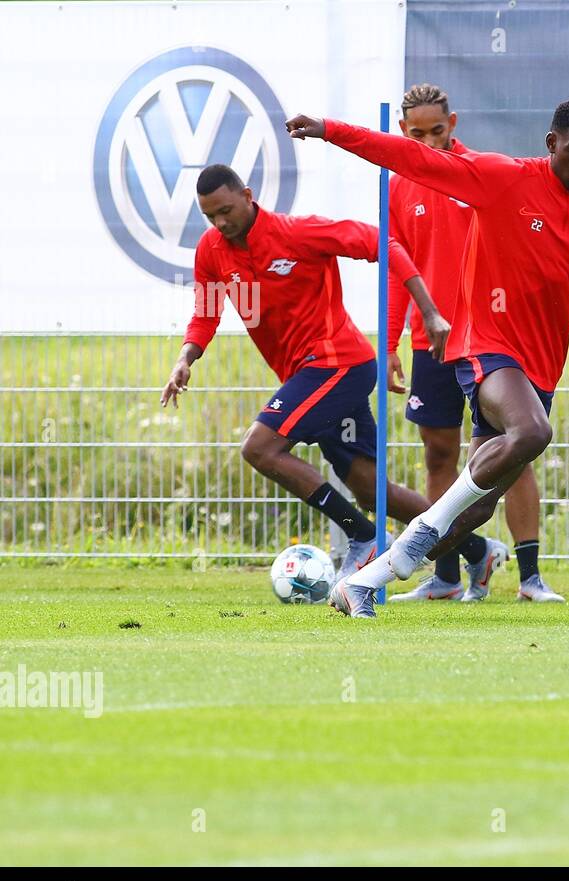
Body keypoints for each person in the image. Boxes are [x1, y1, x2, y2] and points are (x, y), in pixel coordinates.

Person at [285, 100, 569, 618]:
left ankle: (364, 581)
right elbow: (411, 159)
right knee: (534, 432)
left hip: (541, 365)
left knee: (476, 508)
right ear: (551, 144)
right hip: (484, 345)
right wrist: (332, 131)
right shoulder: (503, 179)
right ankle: (413, 551)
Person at [159, 164, 447, 575]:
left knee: (259, 447)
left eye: (226, 210)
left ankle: (363, 536)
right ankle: (476, 550)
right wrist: (185, 358)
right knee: (371, 489)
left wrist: (429, 312)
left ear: (248, 194)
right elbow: (205, 315)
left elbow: (385, 243)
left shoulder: (298, 233)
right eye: (210, 216)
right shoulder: (211, 251)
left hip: (338, 363)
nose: (220, 223)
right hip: (306, 376)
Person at [384, 83, 562, 603]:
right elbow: (397, 268)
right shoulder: (397, 189)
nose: (429, 142)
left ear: (453, 123)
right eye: (417, 134)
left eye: (437, 131)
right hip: (430, 343)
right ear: (402, 133)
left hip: (488, 339)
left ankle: (529, 578)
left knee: (513, 450)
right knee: (439, 456)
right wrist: (390, 341)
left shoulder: (481, 174)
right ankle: (444, 578)